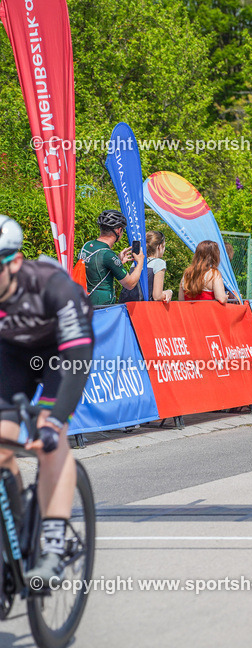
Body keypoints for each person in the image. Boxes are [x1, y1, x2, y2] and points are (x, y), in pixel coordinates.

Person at [0, 215, 94, 585]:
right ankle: (17, 530)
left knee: (50, 436)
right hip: (11, 354)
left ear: (15, 263)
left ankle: (54, 545)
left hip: (61, 355)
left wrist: (55, 420)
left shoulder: (53, 286)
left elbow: (78, 360)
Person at [78, 210, 144, 306]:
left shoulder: (87, 245)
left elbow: (96, 268)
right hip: (101, 309)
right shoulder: (108, 254)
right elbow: (130, 284)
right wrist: (140, 262)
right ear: (118, 230)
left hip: (83, 304)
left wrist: (118, 261)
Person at [118, 230, 174, 304]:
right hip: (145, 308)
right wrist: (168, 292)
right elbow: (157, 296)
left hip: (130, 306)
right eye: (164, 246)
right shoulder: (159, 263)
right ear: (159, 247)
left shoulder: (137, 263)